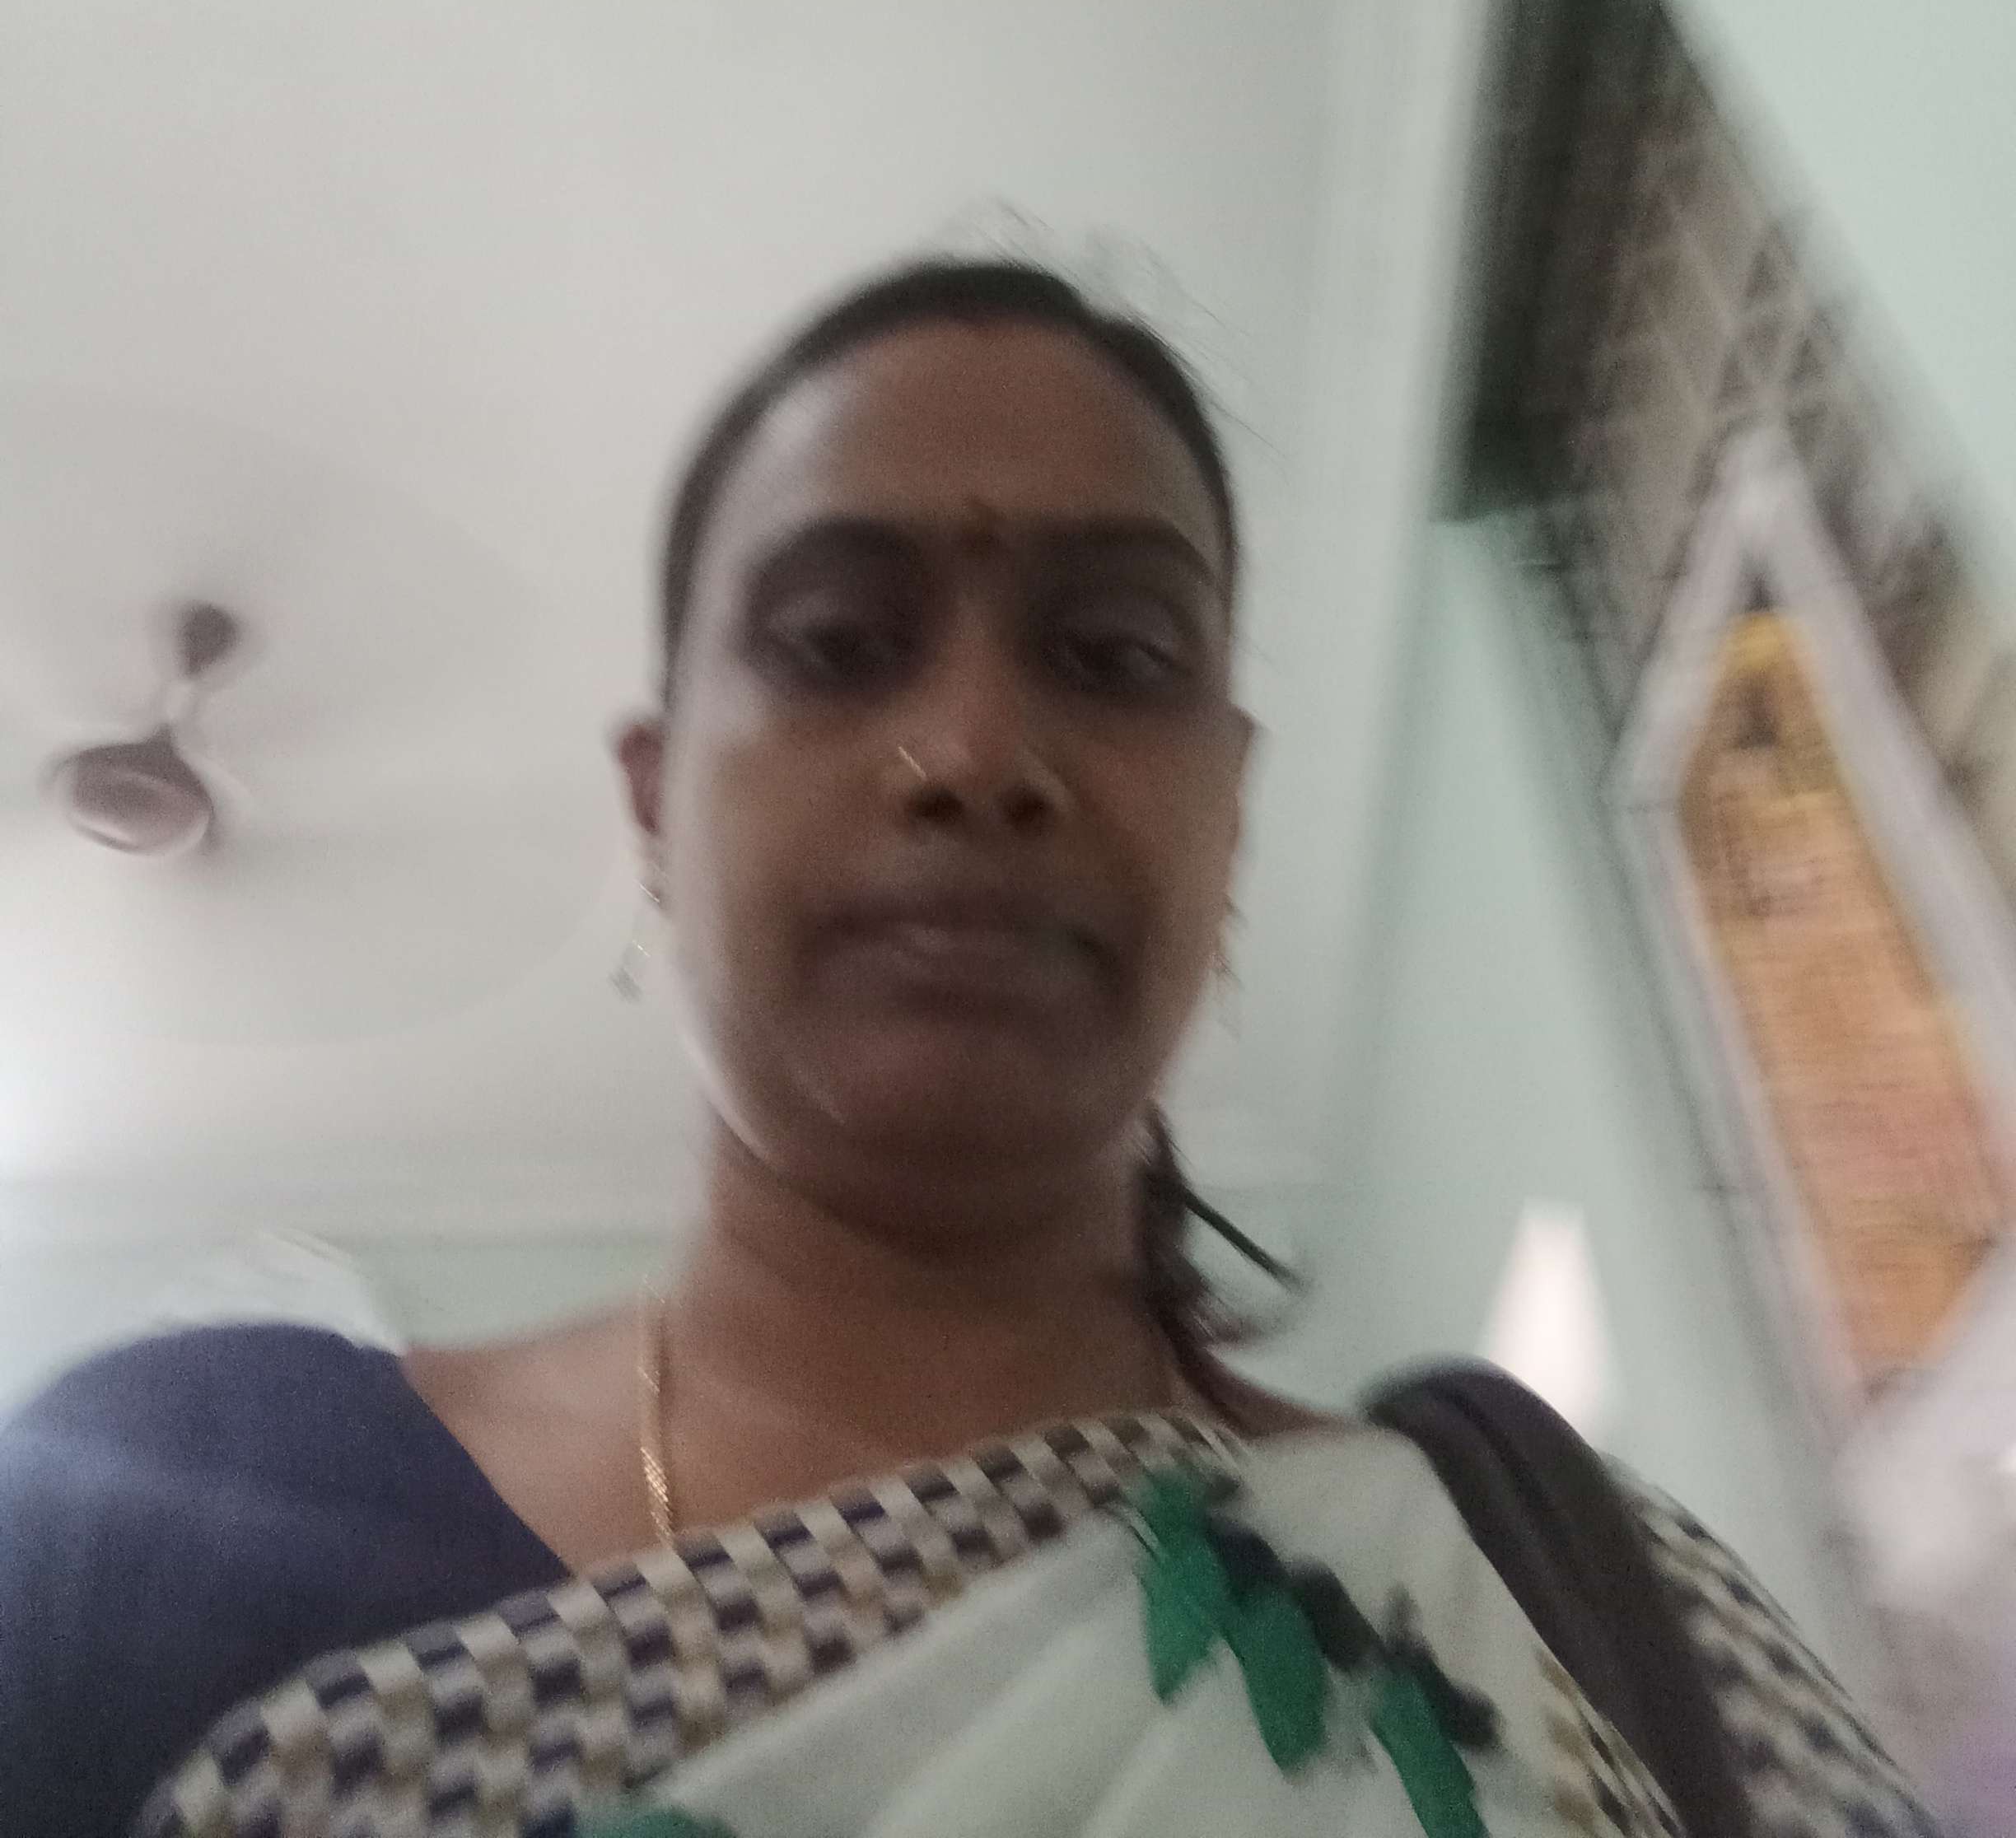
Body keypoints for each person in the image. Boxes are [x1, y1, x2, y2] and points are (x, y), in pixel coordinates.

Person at [0, 259, 1938, 1837]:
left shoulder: (1556, 1593)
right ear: (656, 805)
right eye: (840, 644)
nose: (978, 754)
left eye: (1115, 658)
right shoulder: (172, 1506)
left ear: (1228, 811)